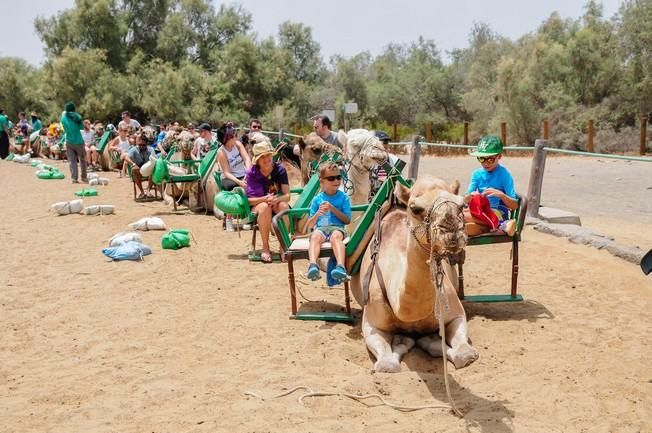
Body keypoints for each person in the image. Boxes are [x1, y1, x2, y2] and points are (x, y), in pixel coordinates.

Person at [305, 162, 352, 283]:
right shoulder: (317, 199)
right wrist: (317, 214)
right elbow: (310, 225)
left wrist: (332, 208)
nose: (336, 180)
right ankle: (313, 265)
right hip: (321, 228)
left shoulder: (344, 197)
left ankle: (340, 266)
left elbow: (347, 220)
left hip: (337, 228)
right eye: (331, 178)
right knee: (315, 236)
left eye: (338, 177)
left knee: (335, 237)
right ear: (322, 181)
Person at [245, 139, 290, 263]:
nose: (266, 159)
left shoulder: (280, 170)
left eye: (268, 155)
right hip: (259, 204)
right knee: (264, 207)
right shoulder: (252, 173)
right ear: (257, 160)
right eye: (262, 157)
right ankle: (265, 247)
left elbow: (287, 195)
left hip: (275, 201)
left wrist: (276, 199)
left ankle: (283, 246)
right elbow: (249, 201)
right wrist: (264, 199)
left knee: (283, 206)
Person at [464, 135, 517, 237]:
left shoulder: (504, 175)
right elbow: (465, 200)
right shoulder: (476, 174)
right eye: (481, 158)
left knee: (461, 217)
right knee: (458, 214)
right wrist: (469, 196)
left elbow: (514, 206)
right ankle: (498, 227)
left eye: (490, 159)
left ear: (499, 156)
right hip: (480, 210)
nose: (485, 163)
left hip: (498, 212)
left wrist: (501, 195)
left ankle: (500, 223)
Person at [217, 122, 250, 190]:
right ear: (227, 139)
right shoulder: (221, 152)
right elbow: (226, 173)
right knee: (230, 186)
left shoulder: (238, 144)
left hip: (244, 174)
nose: (236, 137)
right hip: (231, 178)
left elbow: (247, 159)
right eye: (235, 135)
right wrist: (239, 182)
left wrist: (247, 173)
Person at [60, 101, 87, 183]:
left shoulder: (63, 118)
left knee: (72, 161)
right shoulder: (77, 116)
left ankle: (74, 178)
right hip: (79, 141)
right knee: (82, 159)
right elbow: (81, 127)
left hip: (69, 141)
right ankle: (84, 177)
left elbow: (64, 128)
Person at [124, 131, 154, 199]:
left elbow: (155, 159)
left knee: (153, 169)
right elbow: (126, 157)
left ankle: (148, 191)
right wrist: (133, 164)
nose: (141, 146)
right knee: (134, 170)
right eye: (140, 144)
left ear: (147, 144)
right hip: (138, 170)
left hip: (148, 171)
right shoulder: (134, 149)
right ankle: (142, 192)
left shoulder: (151, 150)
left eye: (143, 145)